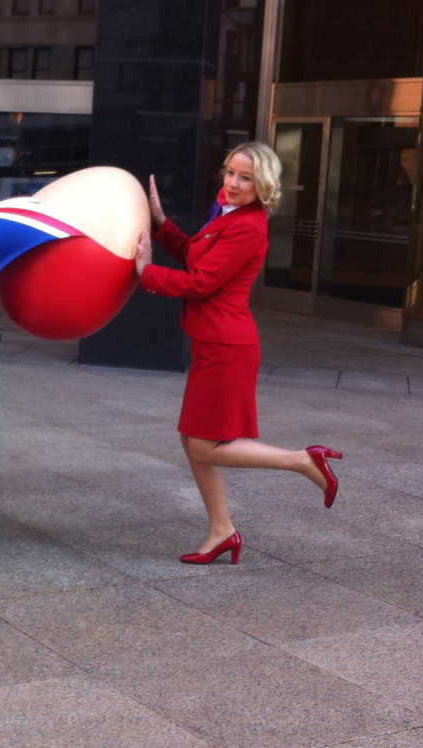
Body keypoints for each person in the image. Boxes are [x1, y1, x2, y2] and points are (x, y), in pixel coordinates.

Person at [135, 142, 342, 564]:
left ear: (262, 185)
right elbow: (197, 257)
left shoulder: (249, 226)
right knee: (192, 439)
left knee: (205, 446)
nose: (231, 183)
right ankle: (222, 531)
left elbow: (200, 284)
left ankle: (303, 460)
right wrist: (160, 222)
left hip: (227, 347)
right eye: (229, 172)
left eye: (244, 178)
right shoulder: (227, 211)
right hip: (214, 342)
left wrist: (146, 273)